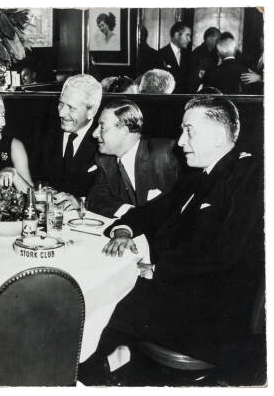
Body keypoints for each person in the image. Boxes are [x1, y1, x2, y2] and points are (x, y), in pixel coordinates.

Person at [79, 96, 263, 385]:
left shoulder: (250, 175)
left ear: (217, 137)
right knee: (107, 291)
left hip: (214, 314)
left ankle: (87, 375)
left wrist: (156, 270)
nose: (179, 141)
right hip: (185, 293)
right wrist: (124, 228)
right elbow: (155, 210)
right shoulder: (200, 175)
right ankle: (103, 367)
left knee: (108, 299)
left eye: (189, 130)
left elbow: (227, 253)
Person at [88, 99, 181, 218]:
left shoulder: (164, 156)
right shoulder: (106, 160)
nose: (94, 134)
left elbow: (176, 207)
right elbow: (95, 198)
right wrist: (131, 213)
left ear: (124, 131)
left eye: (102, 127)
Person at [35, 74, 102, 207]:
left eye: (71, 107)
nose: (61, 113)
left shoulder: (104, 139)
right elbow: (37, 176)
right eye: (61, 104)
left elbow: (108, 196)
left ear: (91, 111)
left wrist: (81, 202)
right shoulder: (45, 129)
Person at [156, 22, 192, 93]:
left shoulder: (189, 56)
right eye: (187, 35)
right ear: (176, 35)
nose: (189, 39)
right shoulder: (160, 55)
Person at [188, 27, 221, 92]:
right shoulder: (197, 54)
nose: (218, 42)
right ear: (208, 38)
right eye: (216, 40)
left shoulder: (216, 53)